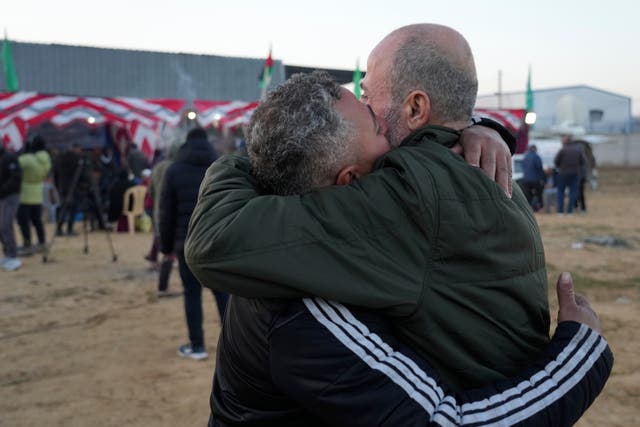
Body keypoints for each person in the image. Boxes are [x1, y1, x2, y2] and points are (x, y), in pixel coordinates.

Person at [187, 26, 547, 391]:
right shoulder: (462, 168)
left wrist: (258, 154)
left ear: (416, 108)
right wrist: (477, 125)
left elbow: (216, 239)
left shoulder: (412, 190)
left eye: (368, 95)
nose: (363, 107)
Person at [208, 272, 612, 426]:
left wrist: (484, 129)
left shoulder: (282, 253)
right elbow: (446, 422)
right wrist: (581, 351)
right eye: (374, 130)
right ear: (349, 179)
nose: (388, 136)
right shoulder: (308, 309)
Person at [159, 128, 228, 360]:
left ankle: (197, 346)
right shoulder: (221, 167)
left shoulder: (174, 170)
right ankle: (232, 347)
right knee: (223, 294)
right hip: (217, 241)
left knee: (191, 293)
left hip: (186, 242)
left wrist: (166, 248)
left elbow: (166, 213)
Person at [148, 141, 181, 296]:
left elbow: (151, 191)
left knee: (164, 244)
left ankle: (162, 285)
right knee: (170, 252)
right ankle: (163, 286)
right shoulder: (176, 168)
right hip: (172, 212)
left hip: (158, 211)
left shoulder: (158, 167)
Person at [16, 136, 52, 254]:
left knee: (23, 221)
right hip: (38, 192)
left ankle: (27, 245)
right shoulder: (46, 159)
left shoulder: (26, 159)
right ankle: (42, 243)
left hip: (24, 194)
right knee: (37, 221)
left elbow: (15, 165)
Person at [0, 145, 23, 271]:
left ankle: (13, 255)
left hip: (10, 196)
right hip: (2, 196)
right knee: (1, 227)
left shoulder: (9, 158)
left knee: (6, 224)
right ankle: (8, 253)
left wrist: (3, 190)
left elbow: (16, 178)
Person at [554, 134, 586, 215]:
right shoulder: (578, 151)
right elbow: (583, 162)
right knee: (573, 193)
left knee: (561, 192)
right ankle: (570, 211)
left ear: (565, 142)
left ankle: (560, 211)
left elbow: (556, 162)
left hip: (563, 174)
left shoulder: (562, 150)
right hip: (575, 174)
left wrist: (561, 167)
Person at [521, 144, 546, 210]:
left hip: (526, 180)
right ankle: (540, 207)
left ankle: (529, 208)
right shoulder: (537, 156)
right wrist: (542, 178)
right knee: (539, 194)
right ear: (535, 149)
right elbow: (539, 168)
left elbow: (523, 167)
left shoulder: (525, 157)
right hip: (535, 180)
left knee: (528, 195)